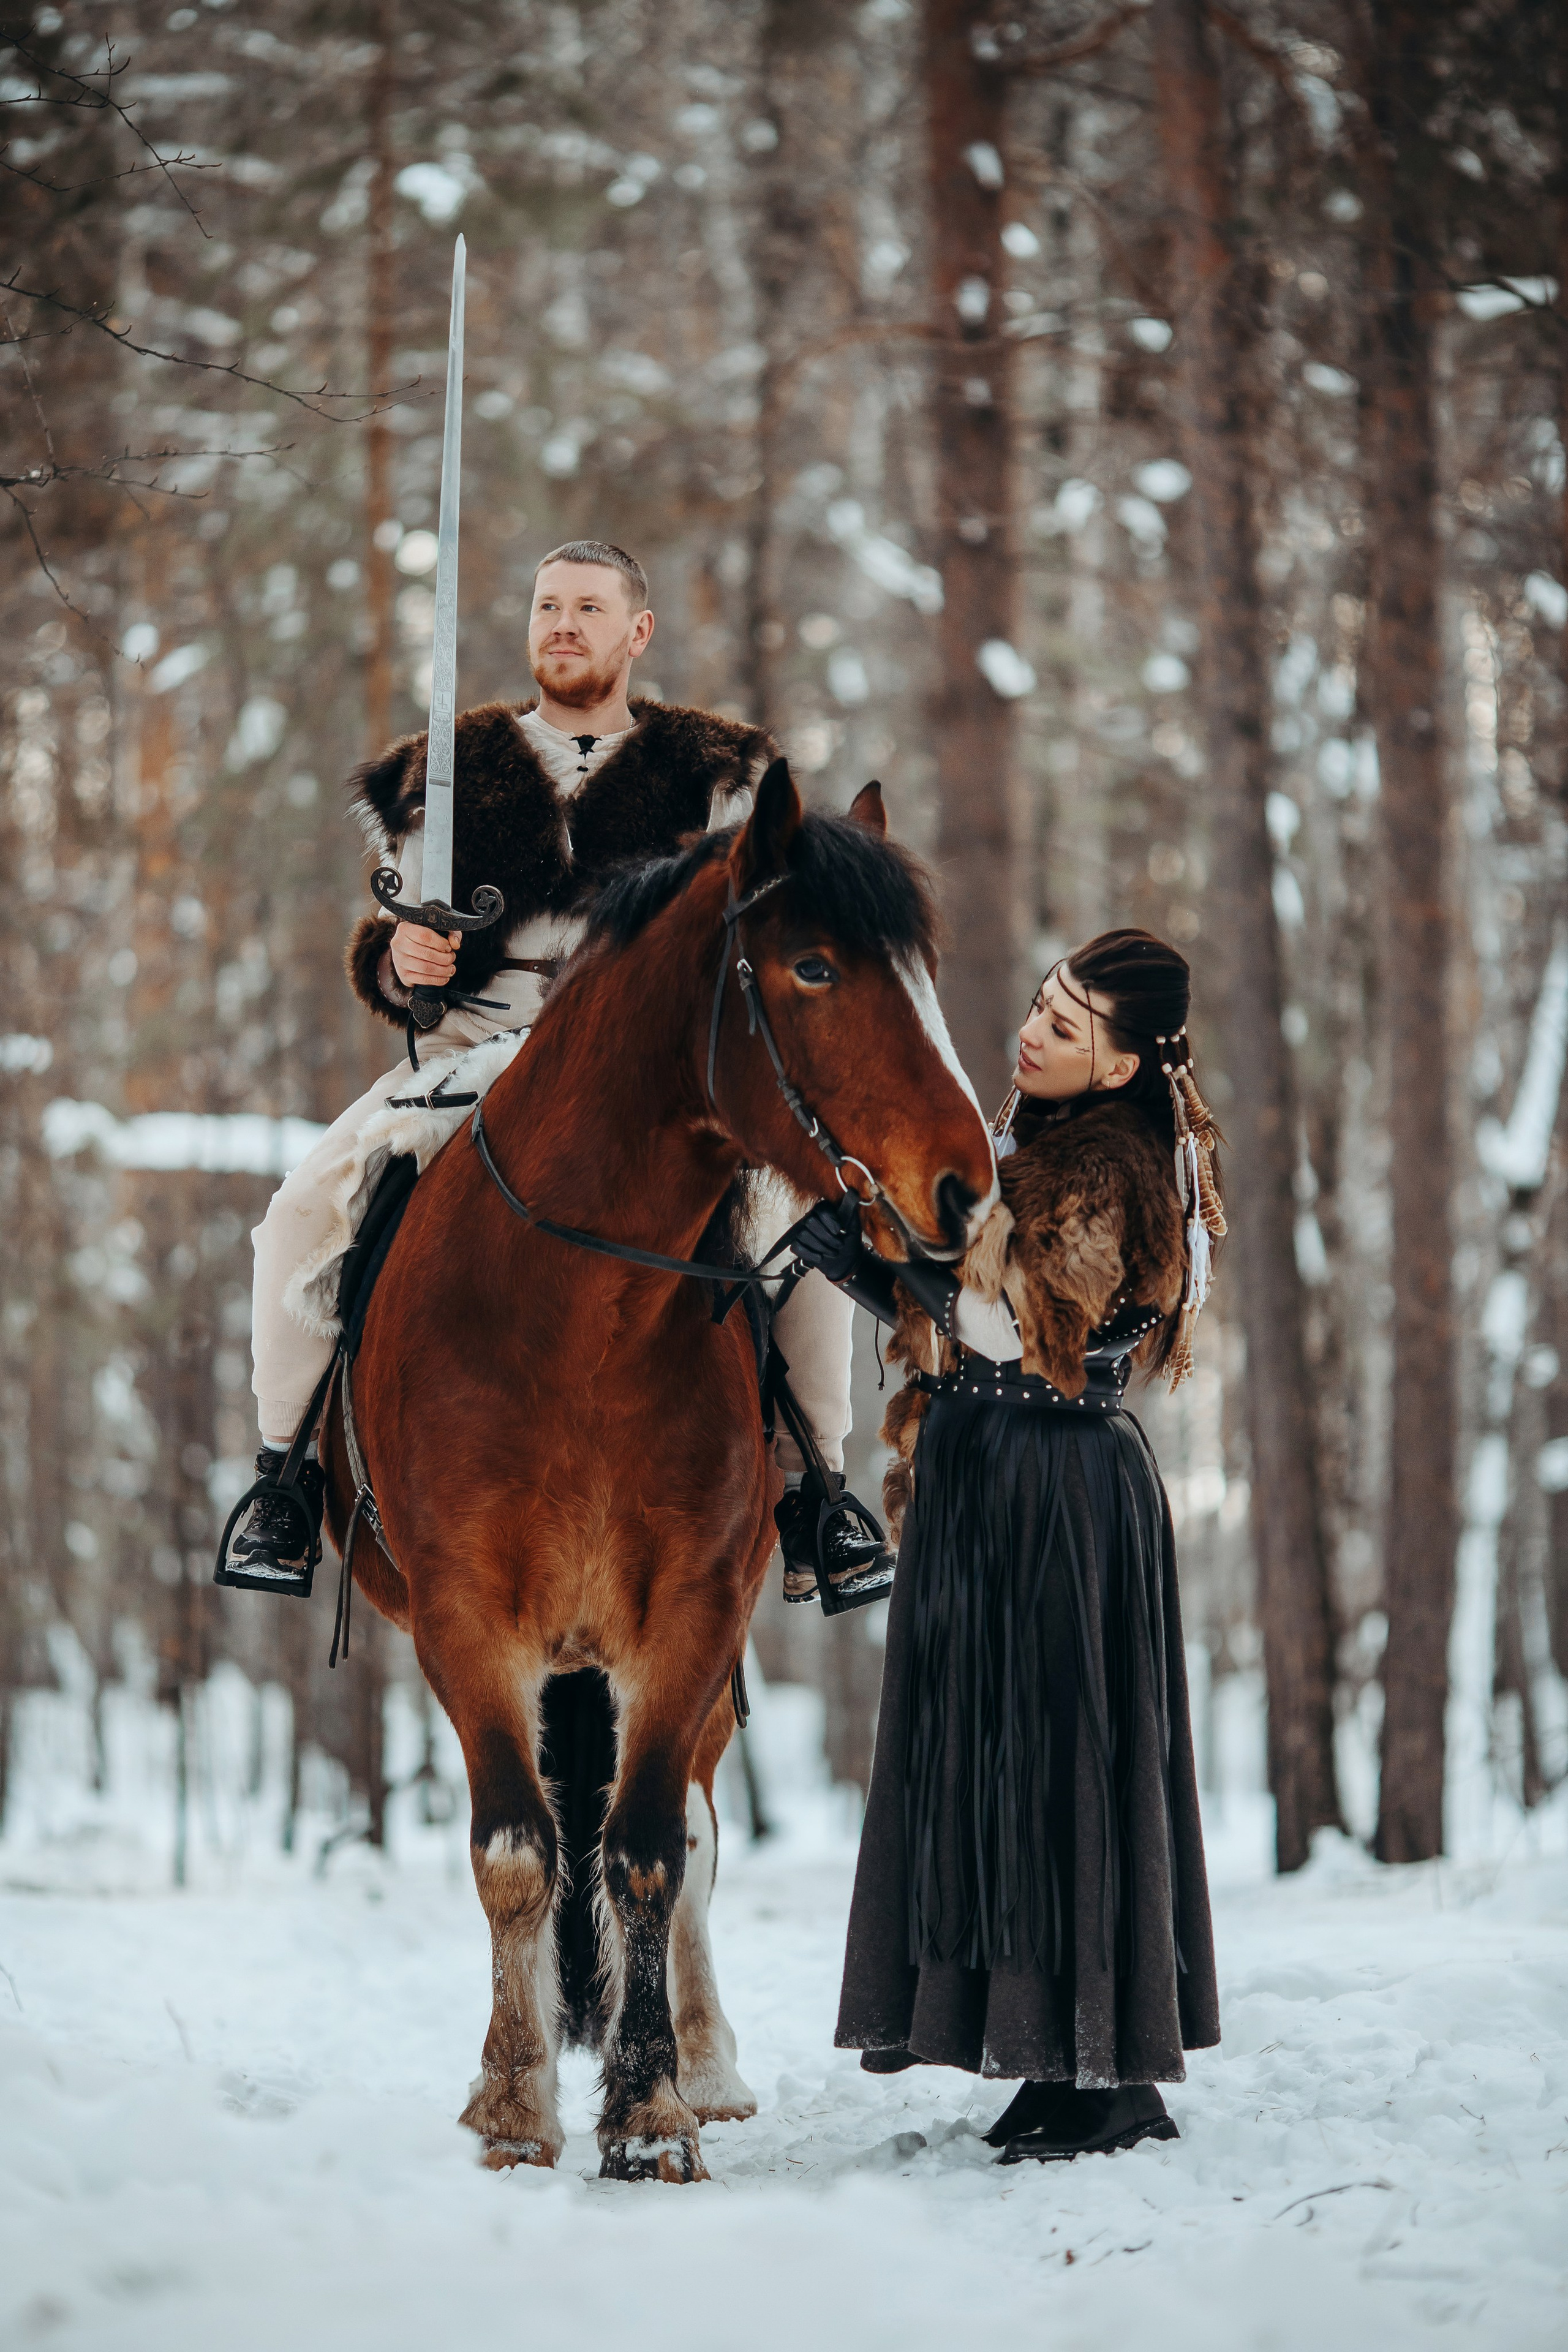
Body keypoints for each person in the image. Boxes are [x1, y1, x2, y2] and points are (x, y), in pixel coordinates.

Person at [223, 540, 872, 1597]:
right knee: (298, 1216)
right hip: (471, 1057)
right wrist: (401, 959)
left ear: (637, 631)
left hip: (648, 1083)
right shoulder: (452, 766)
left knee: (794, 1237)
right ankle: (285, 1484)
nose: (561, 625)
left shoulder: (706, 775)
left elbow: (734, 943)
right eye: (546, 606)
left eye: (587, 607)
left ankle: (817, 1499)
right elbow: (391, 955)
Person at [793, 929, 1225, 2163]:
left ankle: (1108, 2083)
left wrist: (871, 1262)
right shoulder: (1043, 1139)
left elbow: (1026, 1327)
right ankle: (1048, 2058)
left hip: (1054, 1498)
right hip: (996, 1481)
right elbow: (976, 1307)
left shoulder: (1120, 1160)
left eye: (1066, 1027)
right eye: (1039, 1003)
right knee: (996, 1771)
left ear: (1125, 1061)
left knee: (1055, 1770)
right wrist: (885, 1270)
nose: (1032, 1030)